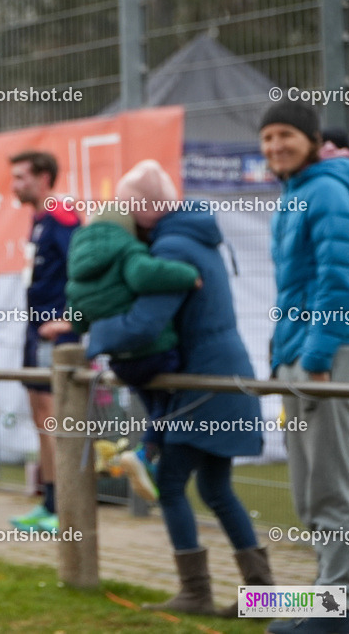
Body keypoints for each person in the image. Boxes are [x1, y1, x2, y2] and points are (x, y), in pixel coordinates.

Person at [86, 159, 271, 618]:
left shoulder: (171, 246)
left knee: (170, 484)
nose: (124, 222)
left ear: (146, 209)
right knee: (216, 488)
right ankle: (262, 594)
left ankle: (197, 592)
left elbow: (146, 325)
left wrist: (93, 335)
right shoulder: (195, 233)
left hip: (204, 383)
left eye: (128, 210)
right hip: (224, 375)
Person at [259, 100, 349, 634]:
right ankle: (326, 600)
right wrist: (283, 356)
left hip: (328, 356)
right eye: (269, 136)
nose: (276, 145)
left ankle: (337, 606)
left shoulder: (325, 190)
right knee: (307, 485)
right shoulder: (297, 193)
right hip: (299, 356)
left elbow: (339, 278)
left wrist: (318, 357)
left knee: (329, 484)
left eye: (286, 135)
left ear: (312, 138)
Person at [65, 198, 202, 501]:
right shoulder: (127, 250)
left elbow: (78, 317)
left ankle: (141, 456)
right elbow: (145, 275)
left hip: (120, 362)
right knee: (170, 404)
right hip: (156, 354)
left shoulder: (77, 266)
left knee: (155, 407)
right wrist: (188, 275)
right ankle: (145, 454)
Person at [9, 150, 80, 533]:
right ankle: (50, 501)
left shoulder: (62, 216)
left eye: (21, 177)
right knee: (41, 416)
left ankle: (66, 507)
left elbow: (81, 269)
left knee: (55, 417)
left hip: (57, 336)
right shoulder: (38, 220)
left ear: (44, 178)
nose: (15, 185)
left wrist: (69, 319)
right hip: (35, 331)